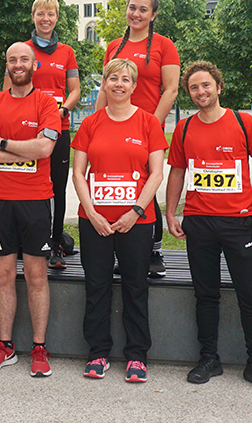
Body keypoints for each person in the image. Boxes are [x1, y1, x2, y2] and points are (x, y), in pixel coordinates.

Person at [165, 61, 252, 393]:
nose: (201, 92)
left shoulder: (243, 123)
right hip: (198, 223)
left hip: (238, 224)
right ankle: (208, 358)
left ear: (219, 86)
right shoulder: (184, 128)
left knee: (249, 296)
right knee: (205, 295)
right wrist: (171, 213)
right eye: (194, 88)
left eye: (206, 85)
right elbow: (176, 172)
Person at [72, 58, 167, 382]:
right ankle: (97, 353)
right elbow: (78, 173)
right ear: (105, 83)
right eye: (112, 78)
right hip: (94, 220)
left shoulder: (148, 123)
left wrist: (136, 211)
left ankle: (137, 356)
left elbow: (156, 173)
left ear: (134, 85)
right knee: (96, 287)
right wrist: (92, 212)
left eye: (125, 79)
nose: (118, 84)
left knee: (135, 286)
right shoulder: (91, 123)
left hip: (137, 222)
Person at [0, 42, 61, 377]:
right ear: (6, 65)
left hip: (37, 201)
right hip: (0, 202)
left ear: (34, 65)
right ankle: (5, 346)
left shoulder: (46, 103)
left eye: (24, 59)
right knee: (3, 275)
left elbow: (45, 147)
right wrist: (23, 151)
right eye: (12, 59)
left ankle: (39, 348)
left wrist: (5, 143)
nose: (18, 64)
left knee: (37, 276)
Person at [95, 0, 179, 277]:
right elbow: (107, 87)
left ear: (153, 15)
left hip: (146, 126)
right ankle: (120, 246)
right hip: (112, 125)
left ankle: (153, 251)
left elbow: (171, 90)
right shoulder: (115, 46)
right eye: (132, 8)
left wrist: (151, 125)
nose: (136, 14)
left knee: (146, 182)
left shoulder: (164, 46)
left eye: (143, 9)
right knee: (118, 182)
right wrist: (96, 122)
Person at [3, 0, 79, 269]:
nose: (46, 19)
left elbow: (75, 91)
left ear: (57, 17)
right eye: (40, 14)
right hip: (27, 129)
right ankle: (28, 240)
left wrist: (61, 110)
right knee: (27, 185)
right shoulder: (21, 49)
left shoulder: (67, 52)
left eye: (51, 14)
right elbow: (7, 89)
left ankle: (56, 241)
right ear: (33, 16)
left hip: (57, 128)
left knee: (57, 188)